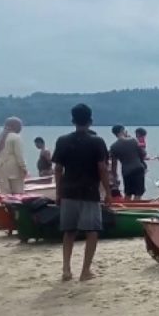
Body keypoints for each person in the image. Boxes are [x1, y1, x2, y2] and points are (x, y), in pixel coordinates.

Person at [52, 103, 111, 282]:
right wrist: (108, 191)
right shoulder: (97, 142)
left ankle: (66, 269)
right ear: (91, 121)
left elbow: (57, 169)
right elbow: (102, 169)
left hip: (68, 190)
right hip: (89, 190)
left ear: (73, 121)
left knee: (69, 231)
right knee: (91, 231)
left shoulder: (62, 141)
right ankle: (85, 271)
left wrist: (58, 192)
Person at [109, 125, 147, 200]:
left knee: (128, 193)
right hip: (137, 168)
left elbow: (114, 165)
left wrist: (115, 177)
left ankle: (126, 208)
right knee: (138, 193)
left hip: (126, 171)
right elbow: (143, 153)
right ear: (122, 130)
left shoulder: (113, 147)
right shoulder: (133, 140)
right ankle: (136, 210)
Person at [0, 117, 28, 194]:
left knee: (5, 192)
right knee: (18, 192)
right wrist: (23, 168)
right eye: (20, 126)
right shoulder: (16, 137)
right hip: (13, 169)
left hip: (0, 168)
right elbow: (19, 155)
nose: (21, 128)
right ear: (14, 126)